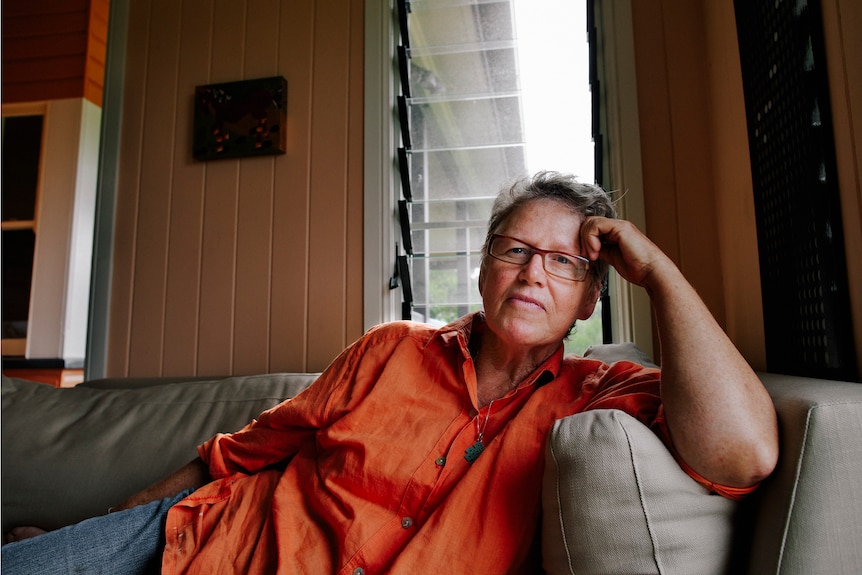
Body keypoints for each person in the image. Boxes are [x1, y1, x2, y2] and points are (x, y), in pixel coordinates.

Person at [2, 171, 778, 574]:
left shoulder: (593, 399)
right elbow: (233, 458)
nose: (533, 272)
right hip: (201, 537)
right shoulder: (394, 349)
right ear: (484, 270)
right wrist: (90, 532)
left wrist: (660, 273)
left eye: (563, 262)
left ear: (588, 299)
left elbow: (743, 454)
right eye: (514, 249)